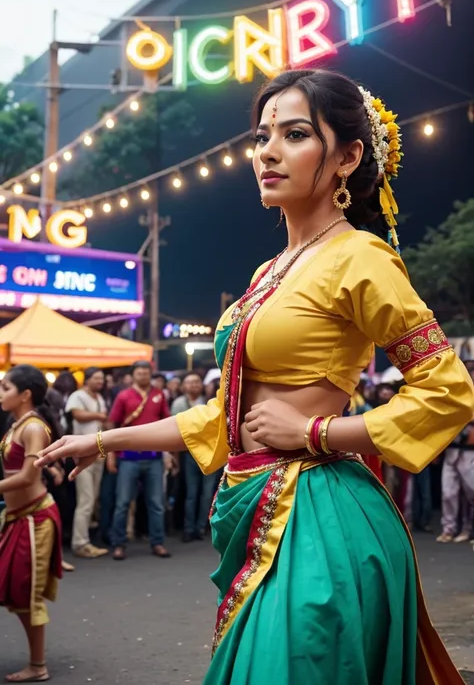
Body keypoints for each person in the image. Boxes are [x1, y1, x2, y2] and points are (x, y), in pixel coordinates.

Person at [36, 69, 474, 684]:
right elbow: (225, 414)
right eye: (262, 135)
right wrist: (102, 439)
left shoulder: (360, 258)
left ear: (348, 157)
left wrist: (319, 432)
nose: (267, 151)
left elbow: (449, 388)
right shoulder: (269, 271)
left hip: (321, 522)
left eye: (294, 134)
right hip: (257, 503)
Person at [0, 365, 62, 683]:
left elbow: (27, 476)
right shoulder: (18, 424)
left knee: (26, 592)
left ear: (25, 394)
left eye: (5, 387)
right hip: (16, 517)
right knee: (9, 586)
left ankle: (38, 666)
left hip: (33, 518)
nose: (0, 393)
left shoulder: (33, 427)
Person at [108, 361, 171, 560]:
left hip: (154, 457)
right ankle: (118, 544)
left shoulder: (159, 395)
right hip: (128, 457)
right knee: (123, 503)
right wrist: (110, 454)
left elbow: (168, 424)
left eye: (146, 372)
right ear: (133, 375)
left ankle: (158, 542)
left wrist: (168, 454)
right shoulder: (123, 395)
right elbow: (112, 425)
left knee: (156, 503)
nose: (143, 375)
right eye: (139, 372)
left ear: (150, 374)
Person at [66, 368, 108, 559]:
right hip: (82, 455)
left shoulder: (99, 397)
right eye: (97, 378)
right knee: (86, 500)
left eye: (102, 378)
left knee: (93, 499)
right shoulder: (77, 395)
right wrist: (98, 416)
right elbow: (77, 415)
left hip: (98, 453)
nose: (100, 381)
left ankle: (85, 537)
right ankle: (80, 543)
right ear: (87, 379)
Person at [171, 373, 215, 542]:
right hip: (189, 454)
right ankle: (189, 528)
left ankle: (201, 527)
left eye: (197, 381)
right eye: (189, 382)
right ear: (183, 386)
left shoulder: (209, 402)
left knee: (207, 493)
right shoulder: (178, 403)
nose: (194, 385)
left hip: (210, 452)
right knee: (191, 492)